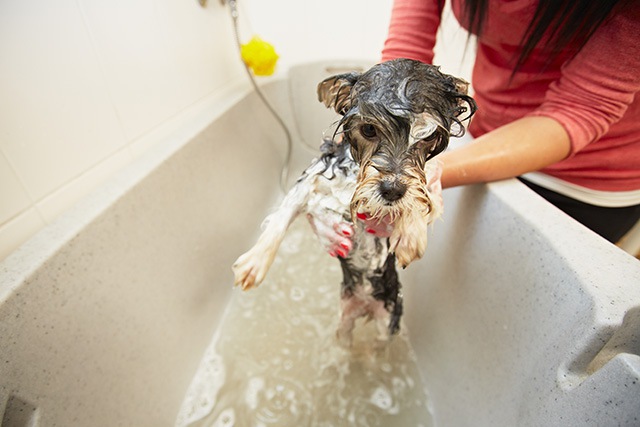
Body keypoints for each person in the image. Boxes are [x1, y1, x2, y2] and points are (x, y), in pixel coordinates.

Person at [380, 0, 640, 243]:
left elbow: (579, 111)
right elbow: (406, 56)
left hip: (580, 184)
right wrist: (382, 125)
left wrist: (424, 171)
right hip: (483, 140)